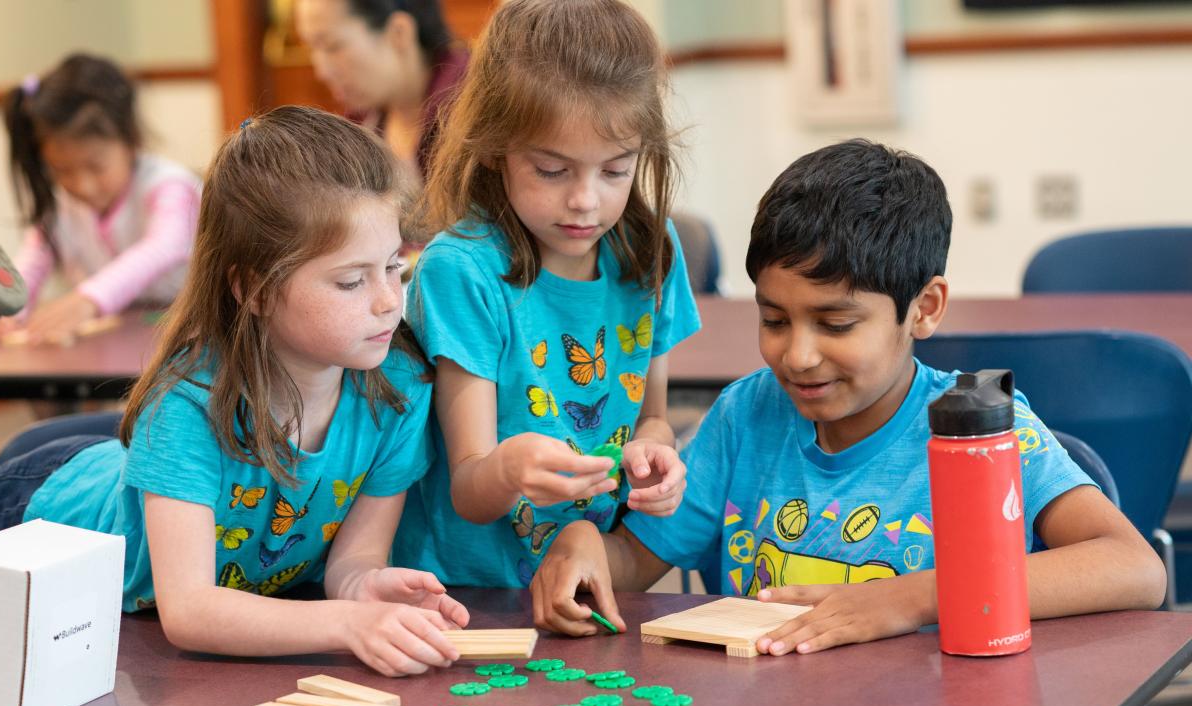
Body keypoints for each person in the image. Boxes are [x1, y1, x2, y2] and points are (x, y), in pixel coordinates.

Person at [531, 139, 1167, 645]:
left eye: (836, 324)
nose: (798, 355)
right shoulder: (744, 418)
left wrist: (910, 598)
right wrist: (588, 547)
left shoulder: (980, 436)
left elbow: (1135, 568)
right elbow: (636, 560)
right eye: (774, 319)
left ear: (923, 308)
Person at [0, 106, 467, 677]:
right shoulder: (186, 403)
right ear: (255, 290)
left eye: (394, 266)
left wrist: (364, 586)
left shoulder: (399, 389)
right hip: (35, 506)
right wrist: (345, 625)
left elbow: (354, 559)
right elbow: (190, 611)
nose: (390, 300)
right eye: (350, 280)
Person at [393, 0, 702, 630]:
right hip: (467, 600)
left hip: (587, 582)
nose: (586, 200)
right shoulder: (464, 271)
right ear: (496, 148)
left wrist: (655, 458)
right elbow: (470, 489)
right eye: (552, 169)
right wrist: (509, 467)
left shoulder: (650, 248)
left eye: (616, 169)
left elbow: (654, 418)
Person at [0, 54, 200, 345]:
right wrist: (10, 311)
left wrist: (89, 299)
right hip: (113, 348)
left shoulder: (168, 185)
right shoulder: (59, 206)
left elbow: (166, 244)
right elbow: (33, 261)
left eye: (96, 166)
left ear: (132, 140)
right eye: (62, 170)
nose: (83, 185)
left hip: (190, 341)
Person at [294, 0, 468, 191]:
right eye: (312, 49)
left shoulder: (474, 114)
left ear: (399, 33)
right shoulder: (359, 125)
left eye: (332, 46)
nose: (322, 71)